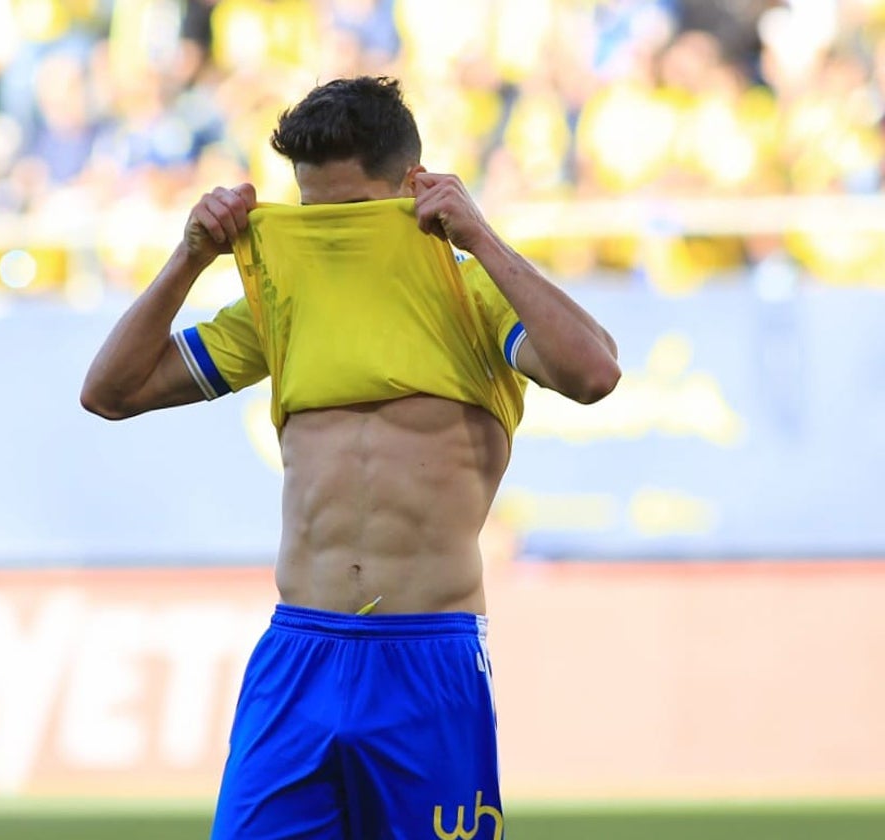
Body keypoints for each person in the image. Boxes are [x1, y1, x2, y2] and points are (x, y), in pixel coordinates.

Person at [81, 76, 620, 840]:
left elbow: (594, 373)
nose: (333, 240)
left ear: (413, 188)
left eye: (354, 218)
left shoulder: (475, 296)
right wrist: (189, 258)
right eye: (315, 220)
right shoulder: (280, 304)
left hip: (426, 665)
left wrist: (482, 237)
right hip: (298, 658)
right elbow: (110, 390)